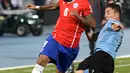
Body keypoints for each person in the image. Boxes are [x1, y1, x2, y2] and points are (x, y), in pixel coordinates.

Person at [26, 0, 96, 73]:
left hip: (70, 46)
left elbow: (92, 24)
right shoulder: (62, 1)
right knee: (41, 61)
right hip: (55, 38)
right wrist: (36, 7)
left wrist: (78, 16)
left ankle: (69, 68)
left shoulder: (83, 3)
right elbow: (53, 6)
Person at [76, 3, 125, 73]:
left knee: (81, 69)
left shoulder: (111, 22)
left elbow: (116, 26)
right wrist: (86, 26)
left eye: (108, 13)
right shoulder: (107, 32)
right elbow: (92, 37)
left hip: (101, 56)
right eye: (105, 13)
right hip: (109, 62)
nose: (105, 15)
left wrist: (79, 17)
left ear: (116, 15)